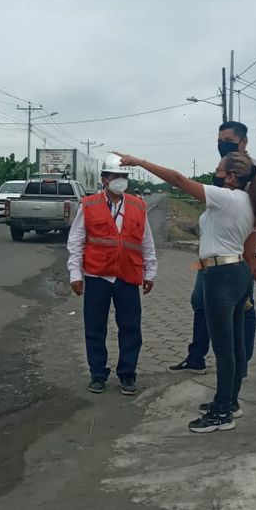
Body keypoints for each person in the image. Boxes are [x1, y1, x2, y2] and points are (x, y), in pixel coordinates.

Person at [117, 150, 256, 433]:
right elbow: (250, 244)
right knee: (235, 345)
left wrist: (139, 162)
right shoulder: (249, 202)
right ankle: (230, 401)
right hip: (236, 271)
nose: (216, 172)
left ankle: (221, 413)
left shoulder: (226, 197)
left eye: (220, 169)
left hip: (220, 275)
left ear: (231, 176)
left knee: (224, 349)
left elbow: (178, 179)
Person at [169, 121, 256, 373]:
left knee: (244, 305)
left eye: (228, 140)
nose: (222, 145)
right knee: (200, 301)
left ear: (244, 142)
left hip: (241, 255)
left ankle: (241, 362)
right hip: (212, 254)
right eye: (219, 141)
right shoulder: (224, 169)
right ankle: (196, 356)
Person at [67, 152, 157, 396]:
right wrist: (75, 274)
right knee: (95, 328)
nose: (120, 180)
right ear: (104, 179)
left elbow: (146, 241)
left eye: (123, 176)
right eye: (116, 176)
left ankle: (127, 374)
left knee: (131, 329)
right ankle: (98, 374)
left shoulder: (138, 205)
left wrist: (150, 271)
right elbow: (76, 241)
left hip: (128, 276)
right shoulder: (89, 205)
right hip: (98, 276)